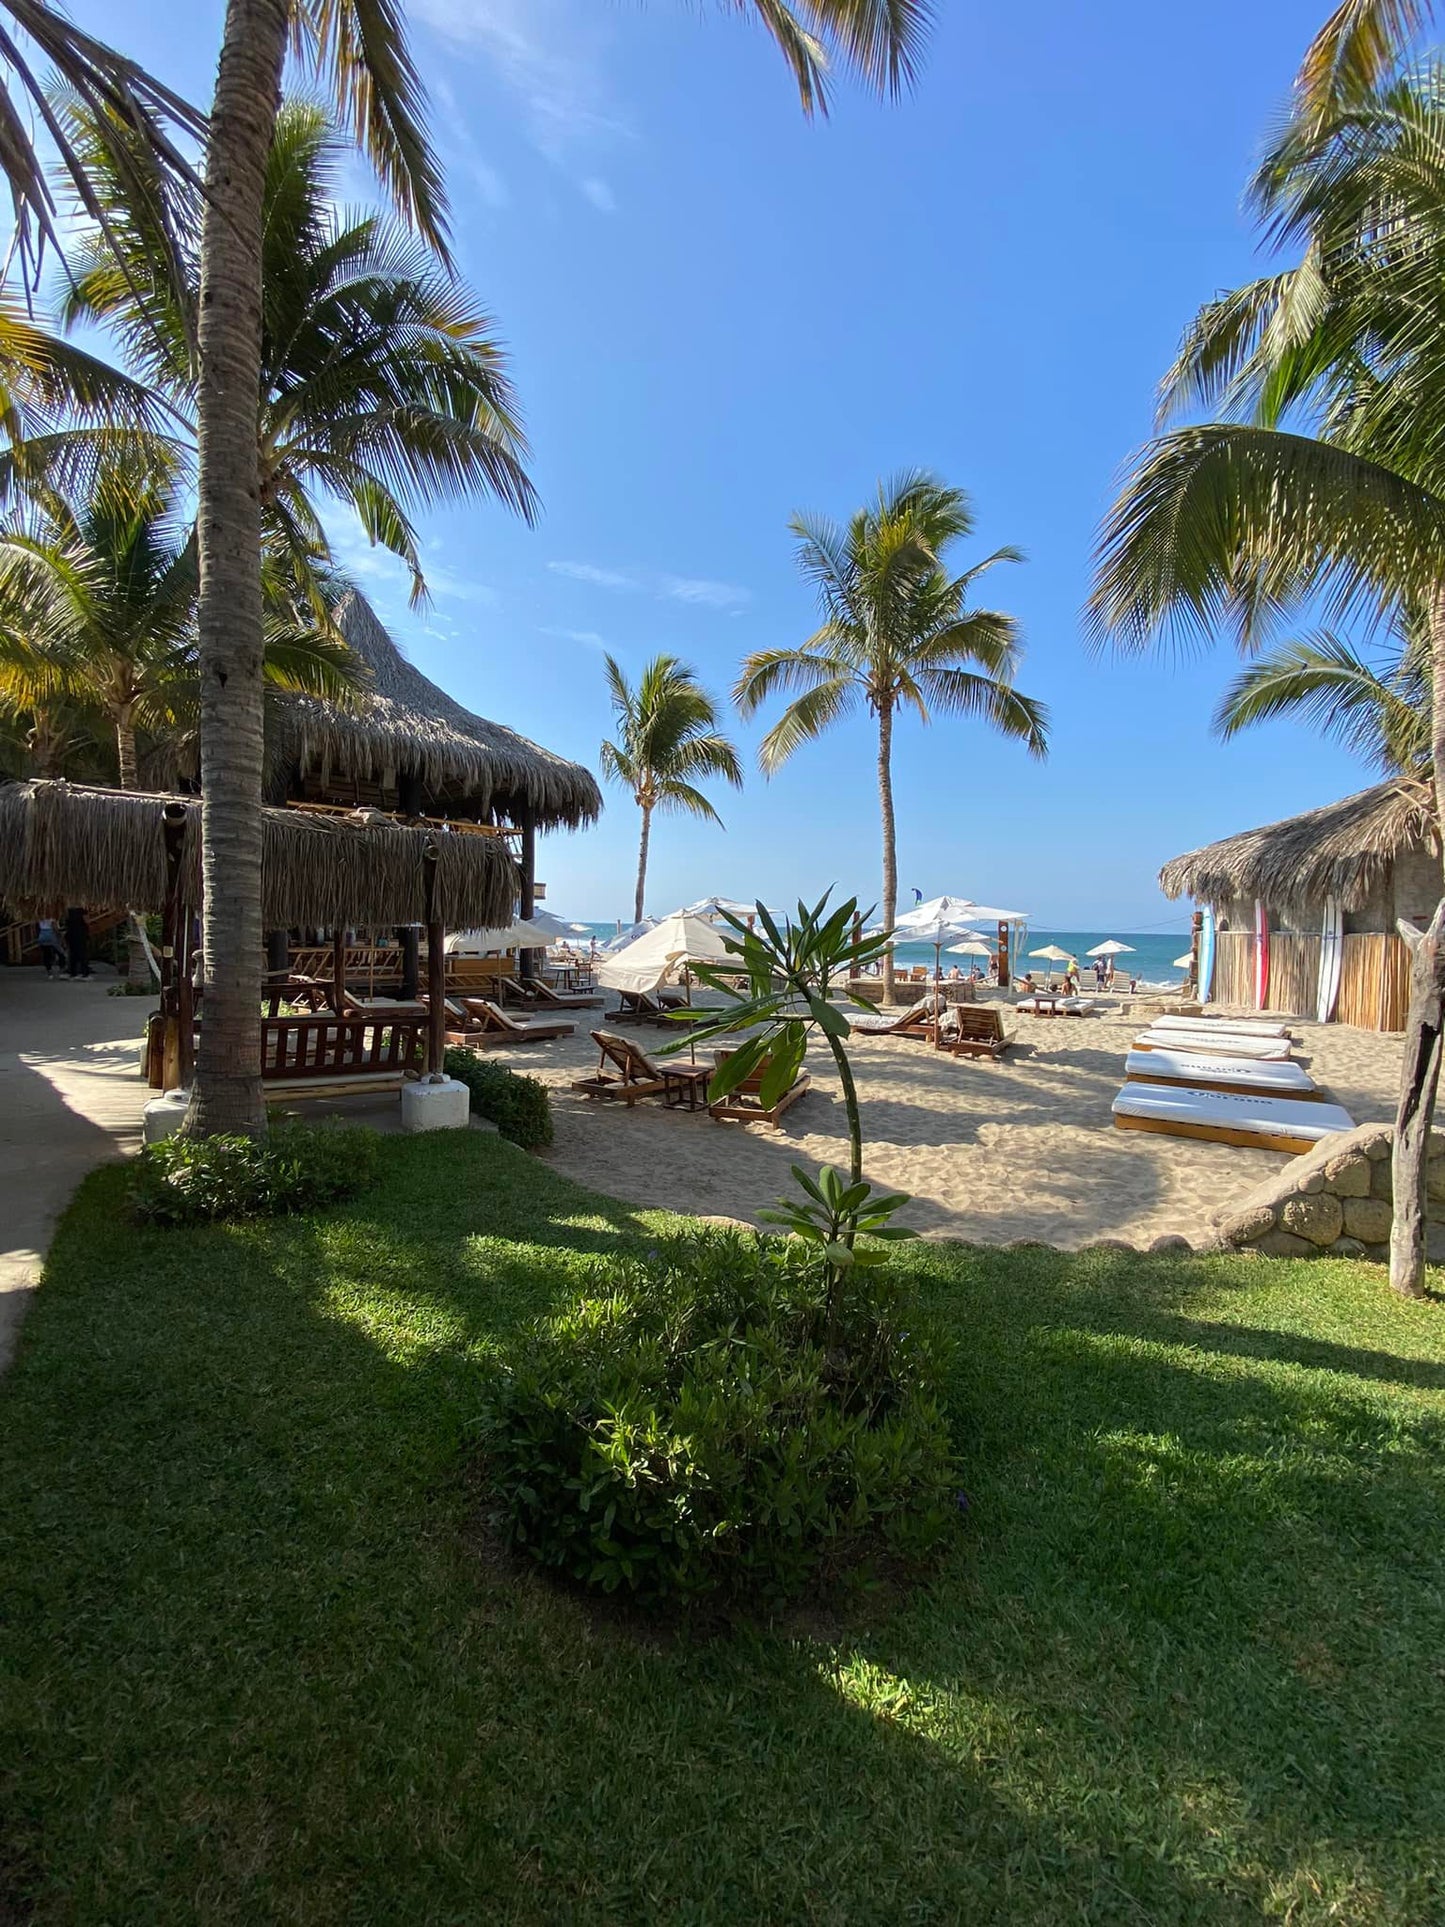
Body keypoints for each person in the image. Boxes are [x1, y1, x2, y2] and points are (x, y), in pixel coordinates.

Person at [64, 905, 90, 979]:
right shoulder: (83, 911)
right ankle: (84, 972)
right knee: (83, 953)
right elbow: (87, 921)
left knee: (73, 954)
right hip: (80, 934)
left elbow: (66, 922)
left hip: (71, 934)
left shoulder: (69, 911)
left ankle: (73, 972)